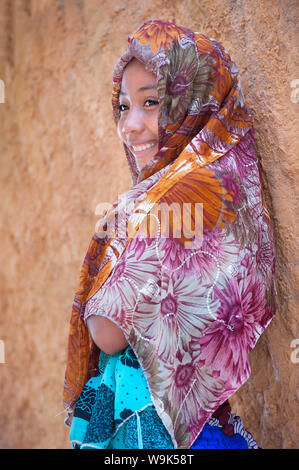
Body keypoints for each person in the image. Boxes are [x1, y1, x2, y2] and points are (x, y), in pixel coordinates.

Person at [63, 20, 276, 449]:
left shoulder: (177, 198)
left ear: (192, 101)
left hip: (151, 426)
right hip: (201, 425)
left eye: (152, 103)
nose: (131, 125)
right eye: (124, 106)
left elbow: (108, 331)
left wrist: (118, 239)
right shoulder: (232, 180)